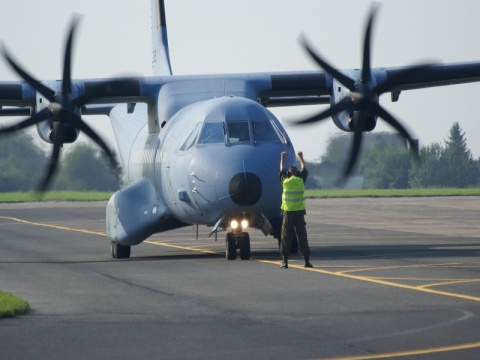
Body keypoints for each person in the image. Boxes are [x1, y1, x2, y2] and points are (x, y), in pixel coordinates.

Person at [279, 151, 313, 269]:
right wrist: (301, 157)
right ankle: (306, 260)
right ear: (297, 173)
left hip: (288, 213)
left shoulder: (286, 182)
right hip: (299, 213)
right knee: (302, 235)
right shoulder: (300, 181)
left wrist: (282, 158)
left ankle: (285, 261)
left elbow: (281, 170)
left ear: (289, 173)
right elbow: (304, 169)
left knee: (285, 236)